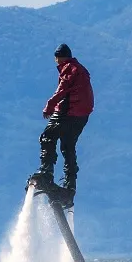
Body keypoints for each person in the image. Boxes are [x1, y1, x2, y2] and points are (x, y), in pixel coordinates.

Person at [28, 43, 94, 209]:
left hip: (69, 111)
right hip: (82, 115)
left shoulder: (69, 68)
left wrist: (50, 105)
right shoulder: (81, 69)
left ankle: (46, 172)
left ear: (58, 58)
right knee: (68, 147)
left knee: (47, 137)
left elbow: (63, 88)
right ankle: (69, 190)